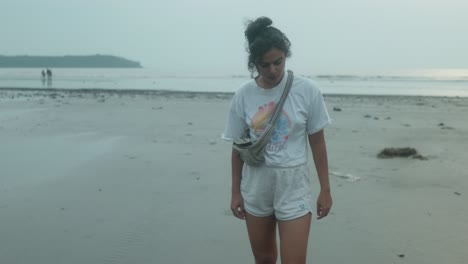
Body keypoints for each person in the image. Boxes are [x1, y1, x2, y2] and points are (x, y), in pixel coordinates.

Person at [222, 17, 333, 264]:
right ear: (254, 64)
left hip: (293, 187)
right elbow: (238, 148)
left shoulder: (308, 90)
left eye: (278, 62)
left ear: (286, 55)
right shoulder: (243, 95)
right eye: (264, 65)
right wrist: (235, 192)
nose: (273, 70)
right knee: (264, 259)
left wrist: (325, 189)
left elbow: (318, 143)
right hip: (256, 187)